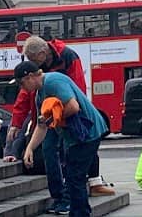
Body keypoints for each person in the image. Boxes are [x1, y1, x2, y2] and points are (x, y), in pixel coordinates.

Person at [7, 33, 114, 205]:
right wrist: (19, 127)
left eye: (34, 59)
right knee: (50, 150)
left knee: (74, 163)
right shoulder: (37, 83)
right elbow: (25, 99)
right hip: (52, 116)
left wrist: (62, 117)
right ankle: (60, 196)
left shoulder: (67, 58)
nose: (33, 63)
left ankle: (88, 187)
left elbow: (76, 93)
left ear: (42, 54)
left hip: (69, 116)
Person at [16, 59, 108, 217]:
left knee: (75, 179)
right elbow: (42, 125)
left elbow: (73, 107)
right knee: (74, 178)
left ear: (30, 77)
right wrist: (30, 148)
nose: (22, 88)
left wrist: (53, 118)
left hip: (87, 134)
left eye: (21, 83)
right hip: (75, 138)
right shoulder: (40, 94)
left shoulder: (53, 82)